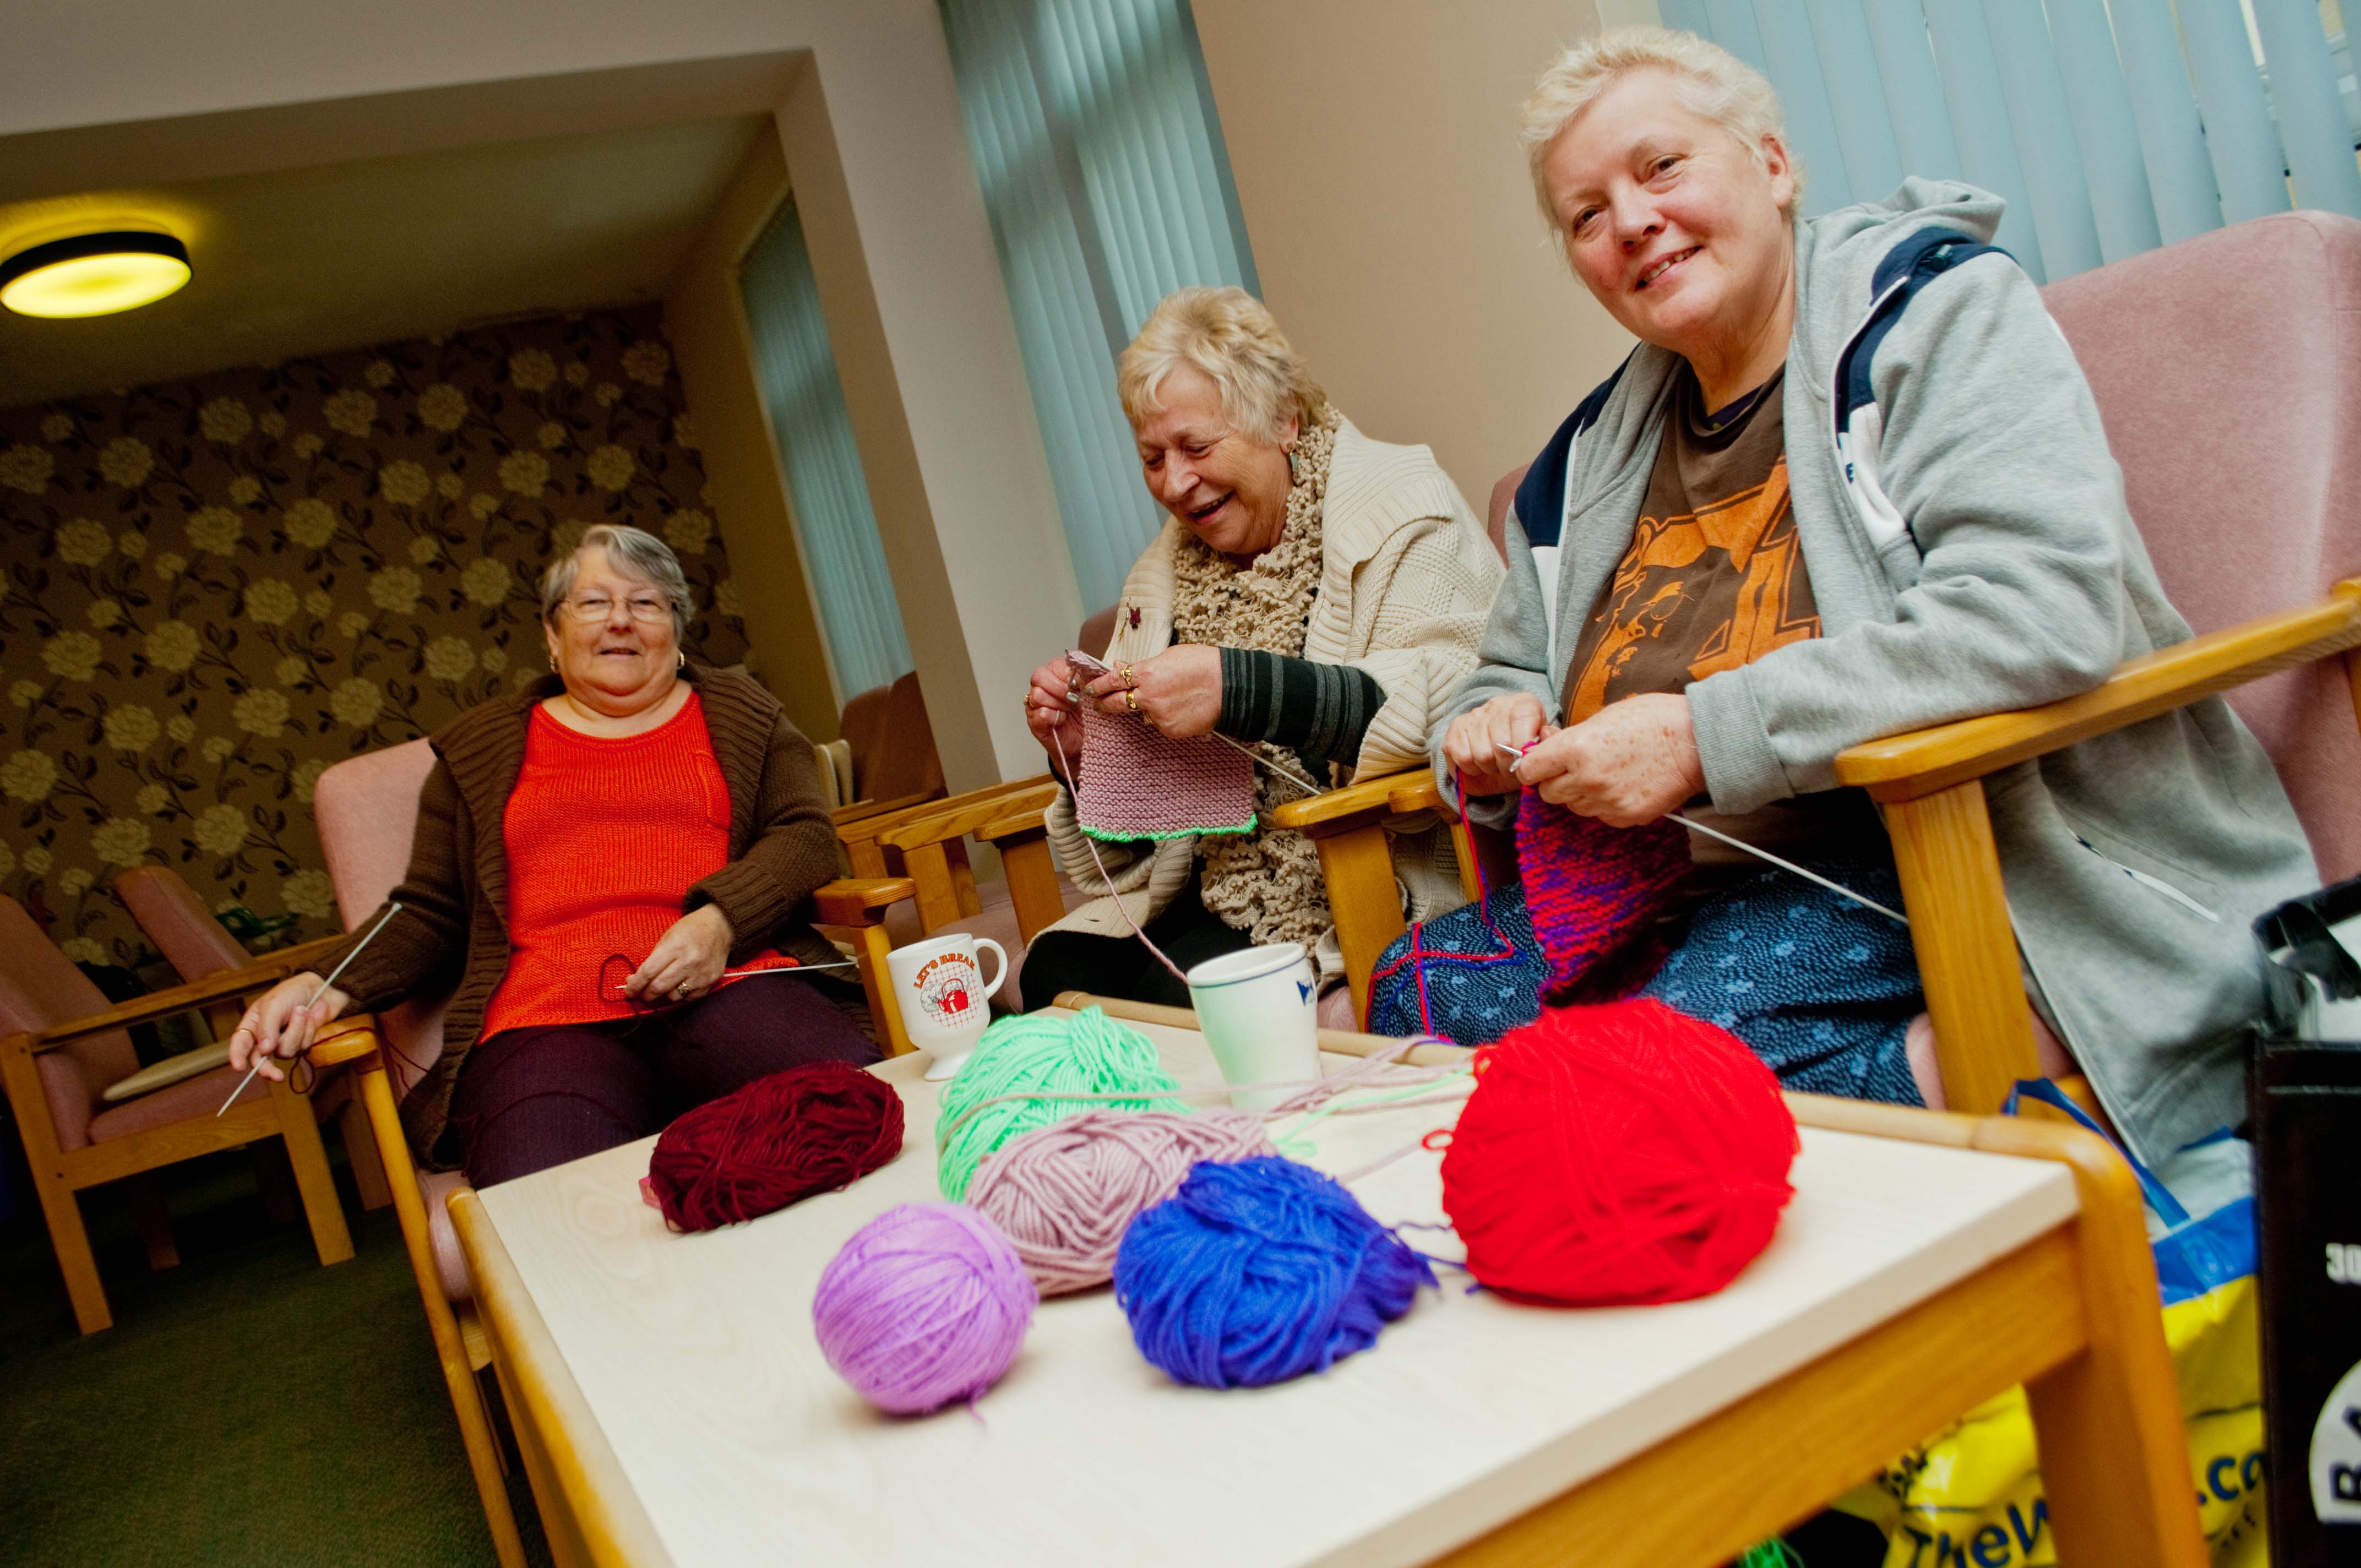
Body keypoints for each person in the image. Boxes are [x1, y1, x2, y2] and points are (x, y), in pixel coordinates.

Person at [1432, 28, 2315, 1167]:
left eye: (1659, 169)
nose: (1631, 222)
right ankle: (1911, 1071)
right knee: (1417, 993)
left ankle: (2015, 1064)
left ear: (1772, 165)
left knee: (1648, 1062)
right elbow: (1512, 665)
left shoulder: (1932, 314)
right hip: (1691, 890)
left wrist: (1704, 734)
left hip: (1963, 856)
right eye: (1586, 215)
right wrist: (1494, 720)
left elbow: (2040, 607)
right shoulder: (1580, 464)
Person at [229, 524, 875, 1184]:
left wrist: (720, 923)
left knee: (848, 1111)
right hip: (546, 1019)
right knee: (543, 1193)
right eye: (594, 603)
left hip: (727, 983)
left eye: (646, 603)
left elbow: (805, 834)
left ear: (676, 629)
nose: (620, 620)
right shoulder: (479, 750)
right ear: (551, 634)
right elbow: (429, 909)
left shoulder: (744, 712)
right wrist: (323, 984)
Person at [1020, 286, 1503, 1010]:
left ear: (1283, 420)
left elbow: (1457, 695)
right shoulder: (1161, 574)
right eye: (1153, 458)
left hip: (1363, 879)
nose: (1175, 484)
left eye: (1197, 447)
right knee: (1055, 973)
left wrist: (1237, 688)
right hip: (1213, 885)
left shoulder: (1401, 505)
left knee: (1163, 1006)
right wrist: (1088, 757)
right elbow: (1140, 842)